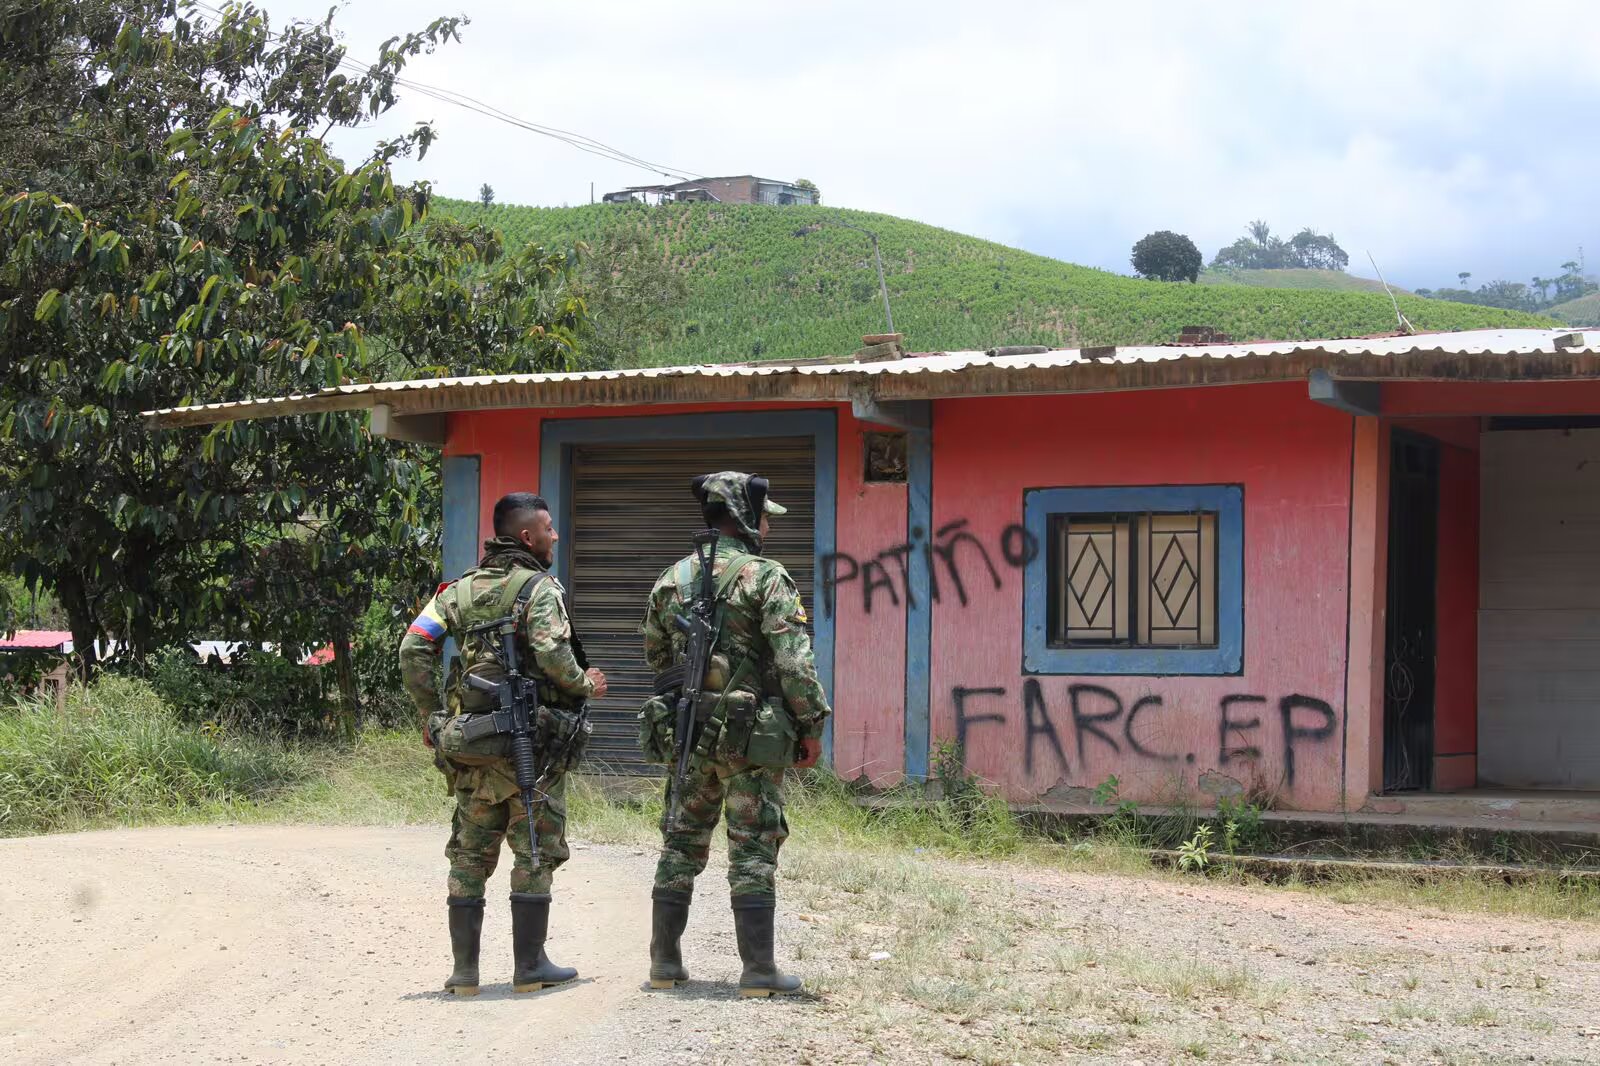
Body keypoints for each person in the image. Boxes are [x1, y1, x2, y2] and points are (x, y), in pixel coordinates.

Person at [399, 491, 607, 996]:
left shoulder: (456, 592)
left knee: (469, 854)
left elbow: (413, 648)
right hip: (531, 746)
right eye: (549, 528)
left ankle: (464, 973)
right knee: (534, 848)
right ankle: (529, 966)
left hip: (472, 745)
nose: (555, 536)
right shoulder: (539, 589)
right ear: (527, 537)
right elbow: (555, 656)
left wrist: (434, 715)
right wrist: (586, 684)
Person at [638, 471, 832, 997]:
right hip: (752, 735)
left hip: (688, 730)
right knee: (753, 844)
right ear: (746, 517)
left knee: (680, 842)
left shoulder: (670, 579)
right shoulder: (767, 578)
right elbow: (795, 663)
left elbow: (656, 658)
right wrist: (812, 723)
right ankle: (758, 971)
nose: (769, 526)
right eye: (765, 516)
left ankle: (663, 964)